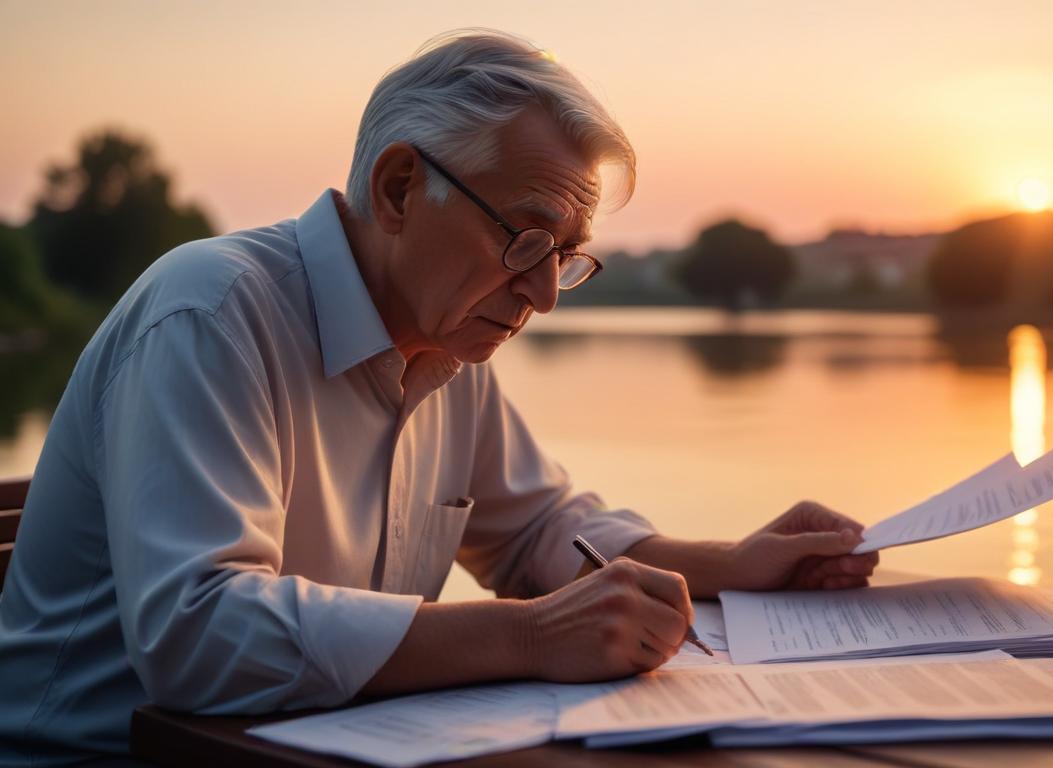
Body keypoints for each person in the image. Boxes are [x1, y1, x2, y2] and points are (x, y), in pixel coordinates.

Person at [0, 30, 878, 765]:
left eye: (567, 255)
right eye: (526, 240)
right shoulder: (212, 313)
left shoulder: (448, 344)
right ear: (396, 189)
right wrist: (529, 636)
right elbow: (197, 640)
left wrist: (734, 562)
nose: (542, 296)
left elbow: (538, 530)